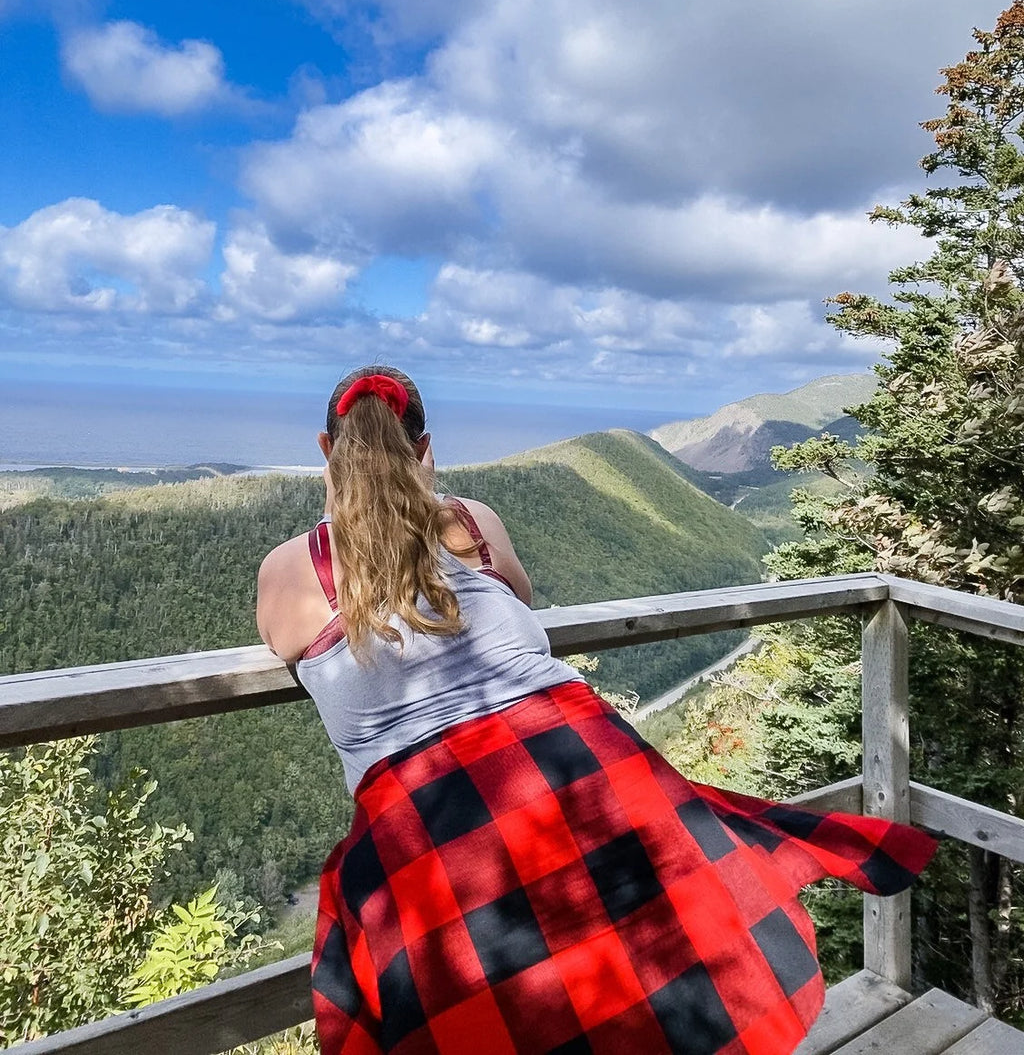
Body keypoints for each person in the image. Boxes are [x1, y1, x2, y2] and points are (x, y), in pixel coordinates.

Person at [257, 366, 936, 1055]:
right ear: (426, 448)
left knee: (501, 1008)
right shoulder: (472, 522)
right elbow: (518, 596)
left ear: (326, 450)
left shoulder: (291, 569)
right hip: (573, 749)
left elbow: (290, 644)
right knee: (647, 960)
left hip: (427, 808)